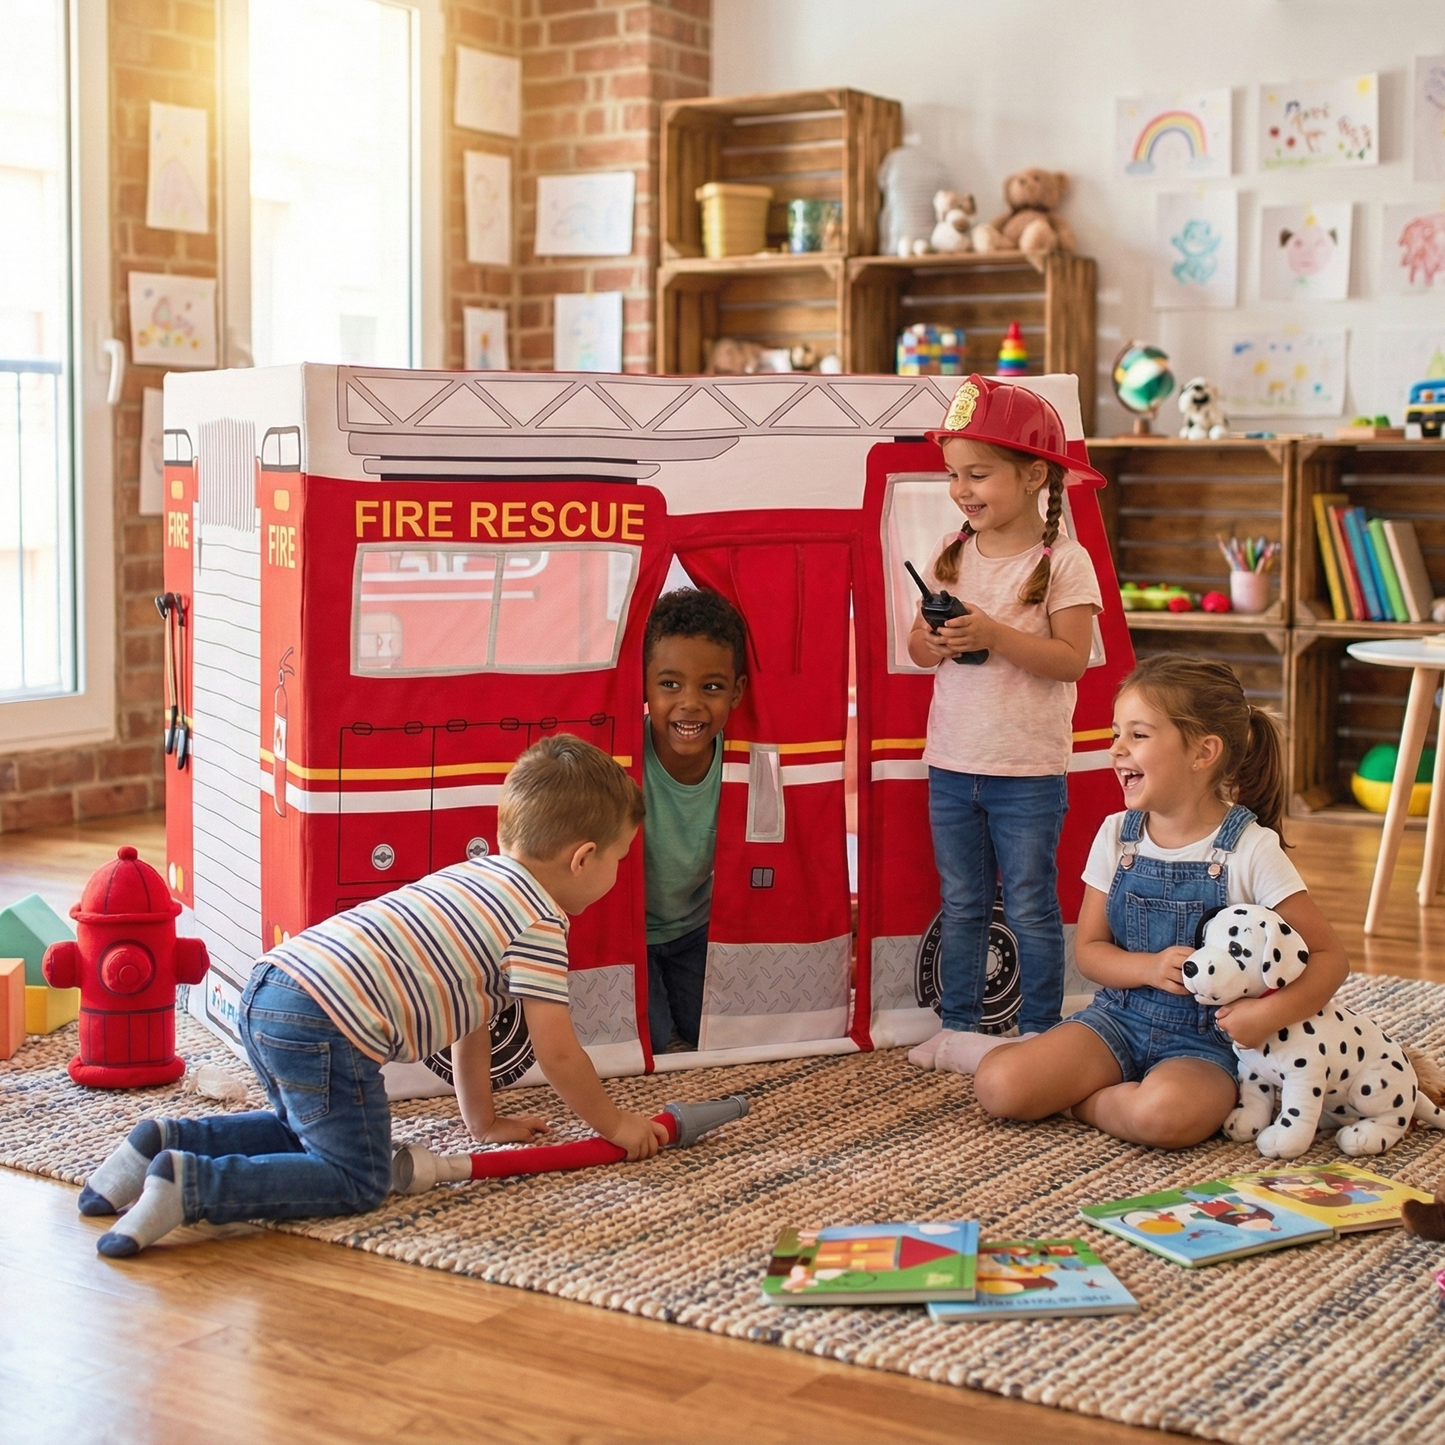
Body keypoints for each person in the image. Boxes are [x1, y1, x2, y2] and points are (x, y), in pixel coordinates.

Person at [80, 735, 664, 1257]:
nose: (616, 874)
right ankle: (192, 1186)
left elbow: (472, 1022)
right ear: (583, 857)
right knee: (357, 1176)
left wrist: (480, 1122)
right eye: (618, 859)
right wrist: (616, 1124)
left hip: (274, 986)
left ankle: (161, 1141)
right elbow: (559, 1053)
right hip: (327, 1022)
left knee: (307, 1130)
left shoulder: (477, 877)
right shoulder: (539, 923)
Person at [973, 655, 1350, 1150]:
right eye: (1115, 734)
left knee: (1165, 1117)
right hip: (1117, 1018)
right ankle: (1106, 1092)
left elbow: (1329, 959)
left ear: (1203, 752)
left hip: (1207, 1043)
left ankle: (1090, 1101)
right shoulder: (1116, 836)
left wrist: (1266, 1018)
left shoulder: (1251, 848)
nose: (1116, 749)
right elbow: (1089, 951)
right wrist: (1149, 969)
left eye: (1138, 735)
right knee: (998, 1085)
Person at [906, 375, 1103, 1077]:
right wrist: (934, 640)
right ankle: (958, 1025)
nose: (961, 488)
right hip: (953, 763)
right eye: (953, 473)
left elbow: (1070, 661)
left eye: (977, 473)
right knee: (959, 901)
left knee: (1028, 902)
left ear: (1034, 474)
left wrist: (992, 631)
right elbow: (914, 646)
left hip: (1026, 771)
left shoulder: (1063, 562)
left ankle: (1044, 1031)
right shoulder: (949, 553)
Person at [641, 587, 748, 1053]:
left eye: (711, 687)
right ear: (643, 683)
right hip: (629, 935)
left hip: (695, 931)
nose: (690, 704)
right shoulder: (625, 758)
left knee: (715, 1035)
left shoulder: (741, 765)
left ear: (737, 691)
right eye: (670, 685)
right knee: (655, 1044)